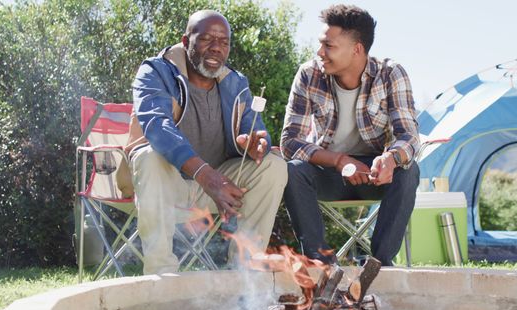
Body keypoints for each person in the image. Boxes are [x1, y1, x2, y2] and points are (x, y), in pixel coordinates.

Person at [125, 10, 287, 274]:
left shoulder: (236, 83)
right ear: (186, 41)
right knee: (149, 157)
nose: (216, 48)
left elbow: (255, 129)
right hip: (166, 185)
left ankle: (245, 273)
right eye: (207, 39)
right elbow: (157, 128)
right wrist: (205, 175)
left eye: (224, 42)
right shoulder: (155, 71)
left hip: (217, 187)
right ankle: (162, 275)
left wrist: (257, 144)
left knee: (274, 165)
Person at [280, 4, 420, 266]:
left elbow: (409, 137)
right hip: (330, 172)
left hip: (377, 173)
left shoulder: (391, 73)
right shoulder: (309, 74)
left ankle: (379, 264)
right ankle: (321, 263)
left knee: (409, 170)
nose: (319, 52)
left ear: (357, 49)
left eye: (328, 46)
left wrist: (390, 158)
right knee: (293, 170)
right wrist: (339, 161)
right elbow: (289, 142)